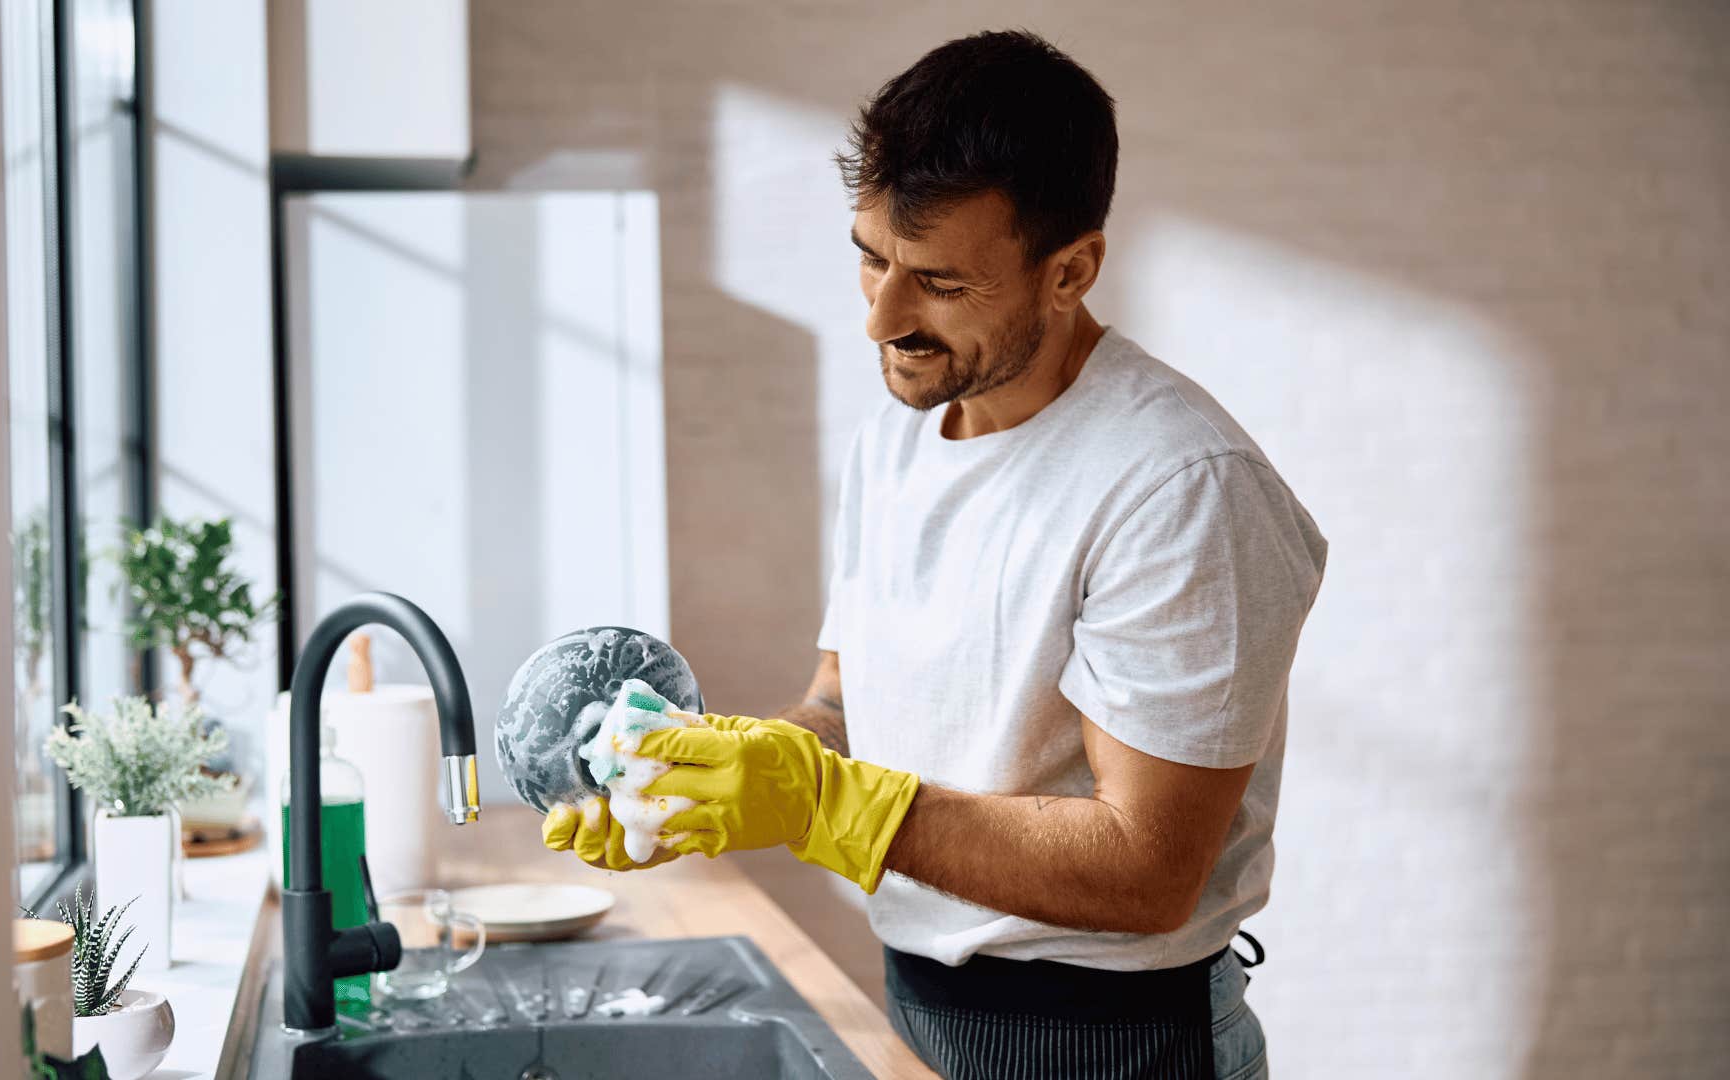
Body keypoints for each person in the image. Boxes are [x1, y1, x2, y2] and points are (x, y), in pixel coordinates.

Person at [543, 28, 1326, 1080]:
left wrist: (823, 805)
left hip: (1117, 1044)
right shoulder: (902, 438)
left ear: (1071, 271)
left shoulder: (1181, 485)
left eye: (937, 281)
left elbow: (1148, 872)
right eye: (868, 256)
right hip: (918, 1006)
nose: (881, 317)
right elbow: (841, 705)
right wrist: (705, 774)